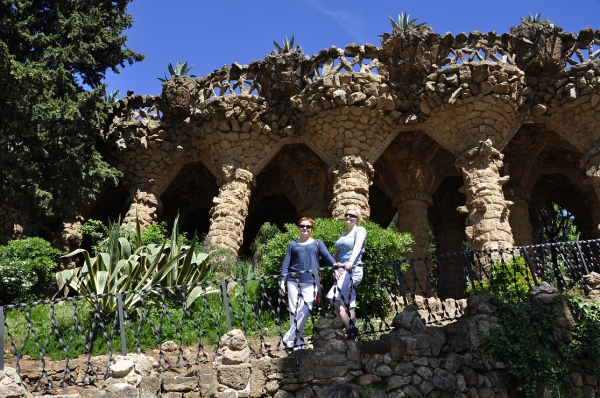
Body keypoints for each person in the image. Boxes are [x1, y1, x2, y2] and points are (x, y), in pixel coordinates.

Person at [280, 217, 336, 350]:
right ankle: (297, 343)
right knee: (294, 312)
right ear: (299, 227)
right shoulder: (292, 244)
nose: (305, 228)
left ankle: (288, 337)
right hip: (293, 281)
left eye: (308, 226)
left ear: (312, 229)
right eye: (302, 226)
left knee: (306, 309)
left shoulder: (317, 243)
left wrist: (335, 265)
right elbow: (286, 264)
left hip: (310, 281)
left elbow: (327, 256)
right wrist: (282, 282)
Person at [326, 206, 367, 340]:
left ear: (357, 219)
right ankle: (352, 336)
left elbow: (358, 246)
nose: (348, 217)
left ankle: (351, 329)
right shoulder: (343, 234)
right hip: (342, 270)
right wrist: (335, 268)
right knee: (348, 302)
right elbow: (336, 254)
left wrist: (350, 261)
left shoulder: (360, 230)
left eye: (352, 215)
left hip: (352, 268)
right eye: (346, 215)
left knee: (333, 297)